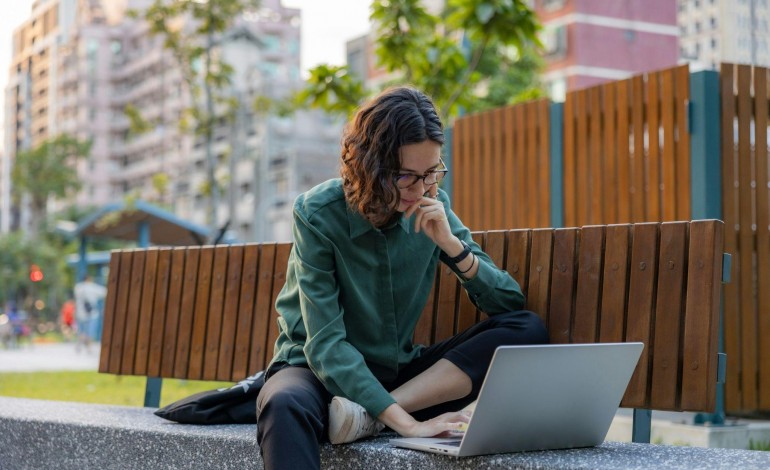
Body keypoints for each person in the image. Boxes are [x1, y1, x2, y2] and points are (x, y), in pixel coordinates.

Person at [255, 86, 549, 470]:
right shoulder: (317, 213)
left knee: (525, 331)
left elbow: (509, 304)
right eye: (407, 176)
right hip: (316, 373)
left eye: (432, 173)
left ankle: (366, 418)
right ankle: (380, 413)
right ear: (370, 167)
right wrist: (408, 424)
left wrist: (452, 246)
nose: (422, 188)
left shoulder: (432, 205)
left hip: (397, 378)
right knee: (283, 403)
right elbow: (325, 344)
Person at [74, 275, 107, 353]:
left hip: (80, 313)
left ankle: (79, 345)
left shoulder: (78, 287)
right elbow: (105, 292)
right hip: (92, 313)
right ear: (89, 279)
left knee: (81, 331)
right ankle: (89, 347)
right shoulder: (93, 287)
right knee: (90, 331)